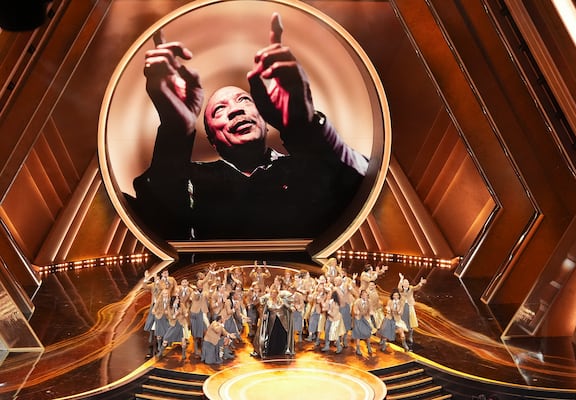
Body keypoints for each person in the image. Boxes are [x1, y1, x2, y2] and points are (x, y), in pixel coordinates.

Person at [127, 12, 368, 240]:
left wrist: (302, 126)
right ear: (211, 138)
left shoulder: (307, 168)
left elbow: (360, 189)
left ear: (264, 120)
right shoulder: (188, 178)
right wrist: (175, 128)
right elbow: (155, 220)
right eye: (219, 109)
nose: (235, 109)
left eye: (244, 100)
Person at [252, 285, 294, 357]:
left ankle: (282, 350)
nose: (273, 294)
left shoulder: (282, 301)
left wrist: (292, 308)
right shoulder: (268, 301)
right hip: (272, 321)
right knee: (272, 335)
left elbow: (289, 307)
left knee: (281, 335)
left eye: (275, 293)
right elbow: (262, 309)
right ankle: (272, 351)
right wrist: (263, 315)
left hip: (282, 321)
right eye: (272, 293)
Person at [398, 273, 427, 351]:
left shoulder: (411, 288)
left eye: (407, 282)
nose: (406, 284)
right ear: (403, 284)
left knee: (411, 322)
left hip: (410, 306)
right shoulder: (400, 289)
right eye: (405, 283)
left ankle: (410, 336)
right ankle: (402, 335)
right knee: (402, 322)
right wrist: (401, 279)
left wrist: (420, 283)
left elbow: (416, 288)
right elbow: (398, 287)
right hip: (403, 307)